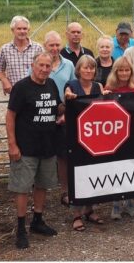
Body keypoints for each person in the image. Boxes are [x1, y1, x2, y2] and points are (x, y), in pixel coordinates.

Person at [6, 52, 63, 249]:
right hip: (25, 147)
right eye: (41, 65)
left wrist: (73, 102)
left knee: (42, 185)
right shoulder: (21, 87)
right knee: (22, 188)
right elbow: (10, 115)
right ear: (33, 65)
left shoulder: (52, 85)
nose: (44, 69)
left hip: (47, 145)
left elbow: (57, 109)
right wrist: (12, 144)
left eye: (48, 66)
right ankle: (21, 227)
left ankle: (37, 220)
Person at [63, 55, 106, 231]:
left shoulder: (99, 86)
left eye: (91, 68)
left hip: (94, 136)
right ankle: (76, 214)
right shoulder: (71, 85)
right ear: (78, 69)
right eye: (85, 68)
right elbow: (66, 98)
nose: (88, 71)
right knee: (77, 175)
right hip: (76, 137)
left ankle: (90, 210)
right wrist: (69, 97)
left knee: (93, 172)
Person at [104, 57, 134, 219]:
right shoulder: (109, 88)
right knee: (117, 169)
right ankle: (116, 205)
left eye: (127, 70)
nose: (124, 73)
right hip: (115, 134)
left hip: (133, 131)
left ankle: (130, 203)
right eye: (121, 70)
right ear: (116, 71)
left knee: (131, 168)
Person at [43, 30, 76, 208]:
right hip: (43, 114)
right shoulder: (39, 64)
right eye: (51, 45)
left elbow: (72, 88)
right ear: (44, 46)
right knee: (44, 154)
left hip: (64, 115)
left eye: (57, 45)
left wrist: (64, 114)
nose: (55, 48)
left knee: (64, 156)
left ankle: (65, 191)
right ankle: (41, 192)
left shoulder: (69, 65)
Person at [0, 15, 44, 95]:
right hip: (15, 93)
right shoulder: (5, 49)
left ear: (28, 30)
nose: (22, 31)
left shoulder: (38, 48)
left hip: (35, 92)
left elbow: (45, 68)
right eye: (19, 29)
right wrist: (5, 81)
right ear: (12, 30)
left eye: (25, 29)